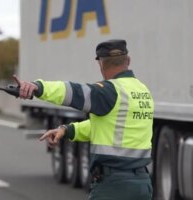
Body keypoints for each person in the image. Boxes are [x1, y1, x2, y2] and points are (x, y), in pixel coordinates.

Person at [13, 39, 153, 200]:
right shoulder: (142, 90)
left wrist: (38, 87)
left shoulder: (109, 91)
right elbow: (108, 127)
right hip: (142, 185)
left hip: (114, 186)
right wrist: (67, 130)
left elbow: (73, 92)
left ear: (101, 64)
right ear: (128, 60)